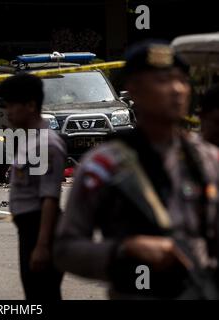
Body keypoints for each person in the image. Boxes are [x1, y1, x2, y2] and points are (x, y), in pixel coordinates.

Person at [54, 40, 219, 299]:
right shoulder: (103, 165)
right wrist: (125, 249)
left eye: (181, 80)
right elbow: (65, 249)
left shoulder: (208, 159)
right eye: (162, 80)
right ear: (134, 89)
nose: (176, 89)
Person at [0, 73, 67, 300]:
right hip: (28, 230)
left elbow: (49, 198)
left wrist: (42, 246)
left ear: (30, 105)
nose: (7, 111)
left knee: (42, 295)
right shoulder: (30, 139)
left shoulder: (46, 144)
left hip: (39, 229)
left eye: (11, 105)